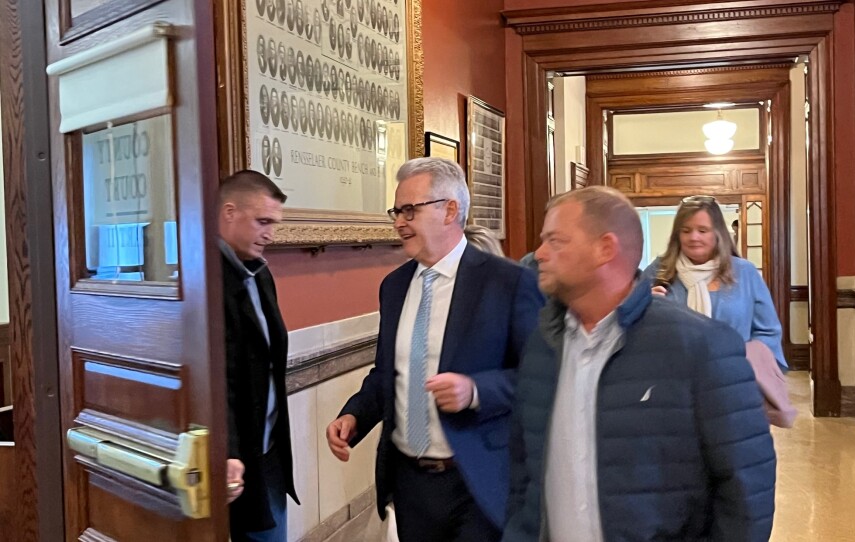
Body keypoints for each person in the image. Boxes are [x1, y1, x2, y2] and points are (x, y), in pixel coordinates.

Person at [503, 186, 776, 542]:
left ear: (605, 248)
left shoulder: (701, 345)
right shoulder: (542, 344)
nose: (539, 254)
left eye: (556, 240)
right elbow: (525, 472)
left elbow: (746, 487)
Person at [325, 158, 543, 542]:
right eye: (396, 211)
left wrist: (476, 391)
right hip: (411, 485)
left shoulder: (508, 282)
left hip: (478, 480)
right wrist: (355, 415)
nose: (398, 222)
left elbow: (541, 376)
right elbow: (387, 373)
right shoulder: (394, 287)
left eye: (410, 210)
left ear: (451, 210)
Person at [220, 171, 299, 541]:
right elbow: (220, 381)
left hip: (268, 452)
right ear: (230, 212)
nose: (270, 233)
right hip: (232, 458)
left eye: (274, 224)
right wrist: (229, 450)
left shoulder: (260, 273)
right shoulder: (204, 279)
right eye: (262, 221)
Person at [643, 196, 787, 368]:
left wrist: (745, 364)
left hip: (736, 377)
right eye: (686, 230)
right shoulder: (658, 271)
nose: (694, 237)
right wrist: (642, 306)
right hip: (673, 378)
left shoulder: (744, 273)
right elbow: (627, 326)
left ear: (718, 233)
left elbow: (768, 332)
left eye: (702, 230)